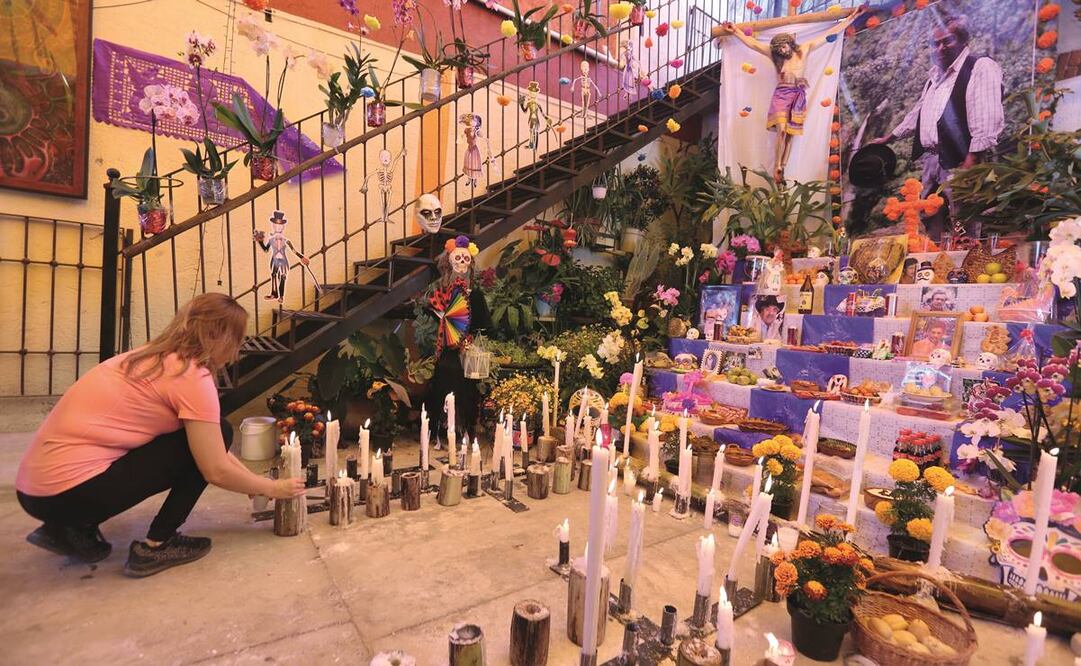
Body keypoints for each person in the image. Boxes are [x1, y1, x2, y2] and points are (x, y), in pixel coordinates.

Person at [15, 293, 305, 577]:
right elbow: (213, 467)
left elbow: (207, 445)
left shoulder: (153, 357)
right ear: (218, 336)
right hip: (67, 493)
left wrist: (251, 483)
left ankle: (66, 529)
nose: (236, 351)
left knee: (211, 433)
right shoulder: (191, 375)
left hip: (35, 493)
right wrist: (273, 489)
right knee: (220, 429)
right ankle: (157, 545)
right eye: (237, 341)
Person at [870, 14, 1004, 239]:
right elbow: (920, 113)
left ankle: (965, 268)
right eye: (936, 43)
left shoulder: (980, 66)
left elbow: (987, 115)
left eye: (947, 41)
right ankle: (933, 265)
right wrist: (890, 137)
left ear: (963, 41)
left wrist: (972, 159)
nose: (940, 48)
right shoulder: (935, 76)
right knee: (930, 214)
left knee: (964, 217)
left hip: (963, 158)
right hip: (932, 160)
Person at [720, 7, 863, 182]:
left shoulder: (804, 49)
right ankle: (777, 164)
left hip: (797, 95)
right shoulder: (775, 57)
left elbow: (829, 35)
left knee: (789, 133)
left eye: (783, 46)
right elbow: (754, 44)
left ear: (790, 43)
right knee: (781, 128)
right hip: (781, 94)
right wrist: (735, 31)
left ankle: (783, 167)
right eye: (778, 48)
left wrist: (852, 17)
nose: (782, 50)